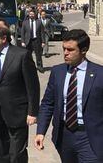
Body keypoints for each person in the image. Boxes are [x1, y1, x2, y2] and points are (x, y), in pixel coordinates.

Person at [35, 29, 103, 162]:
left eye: (70, 50)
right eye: (64, 49)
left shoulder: (99, 74)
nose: (65, 53)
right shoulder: (57, 71)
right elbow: (48, 103)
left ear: (83, 50)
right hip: (65, 136)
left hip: (90, 137)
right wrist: (40, 131)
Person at [0, 23, 40, 163]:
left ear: (4, 38)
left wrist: (32, 112)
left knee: (17, 155)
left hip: (17, 113)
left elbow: (33, 87)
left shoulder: (21, 55)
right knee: (0, 153)